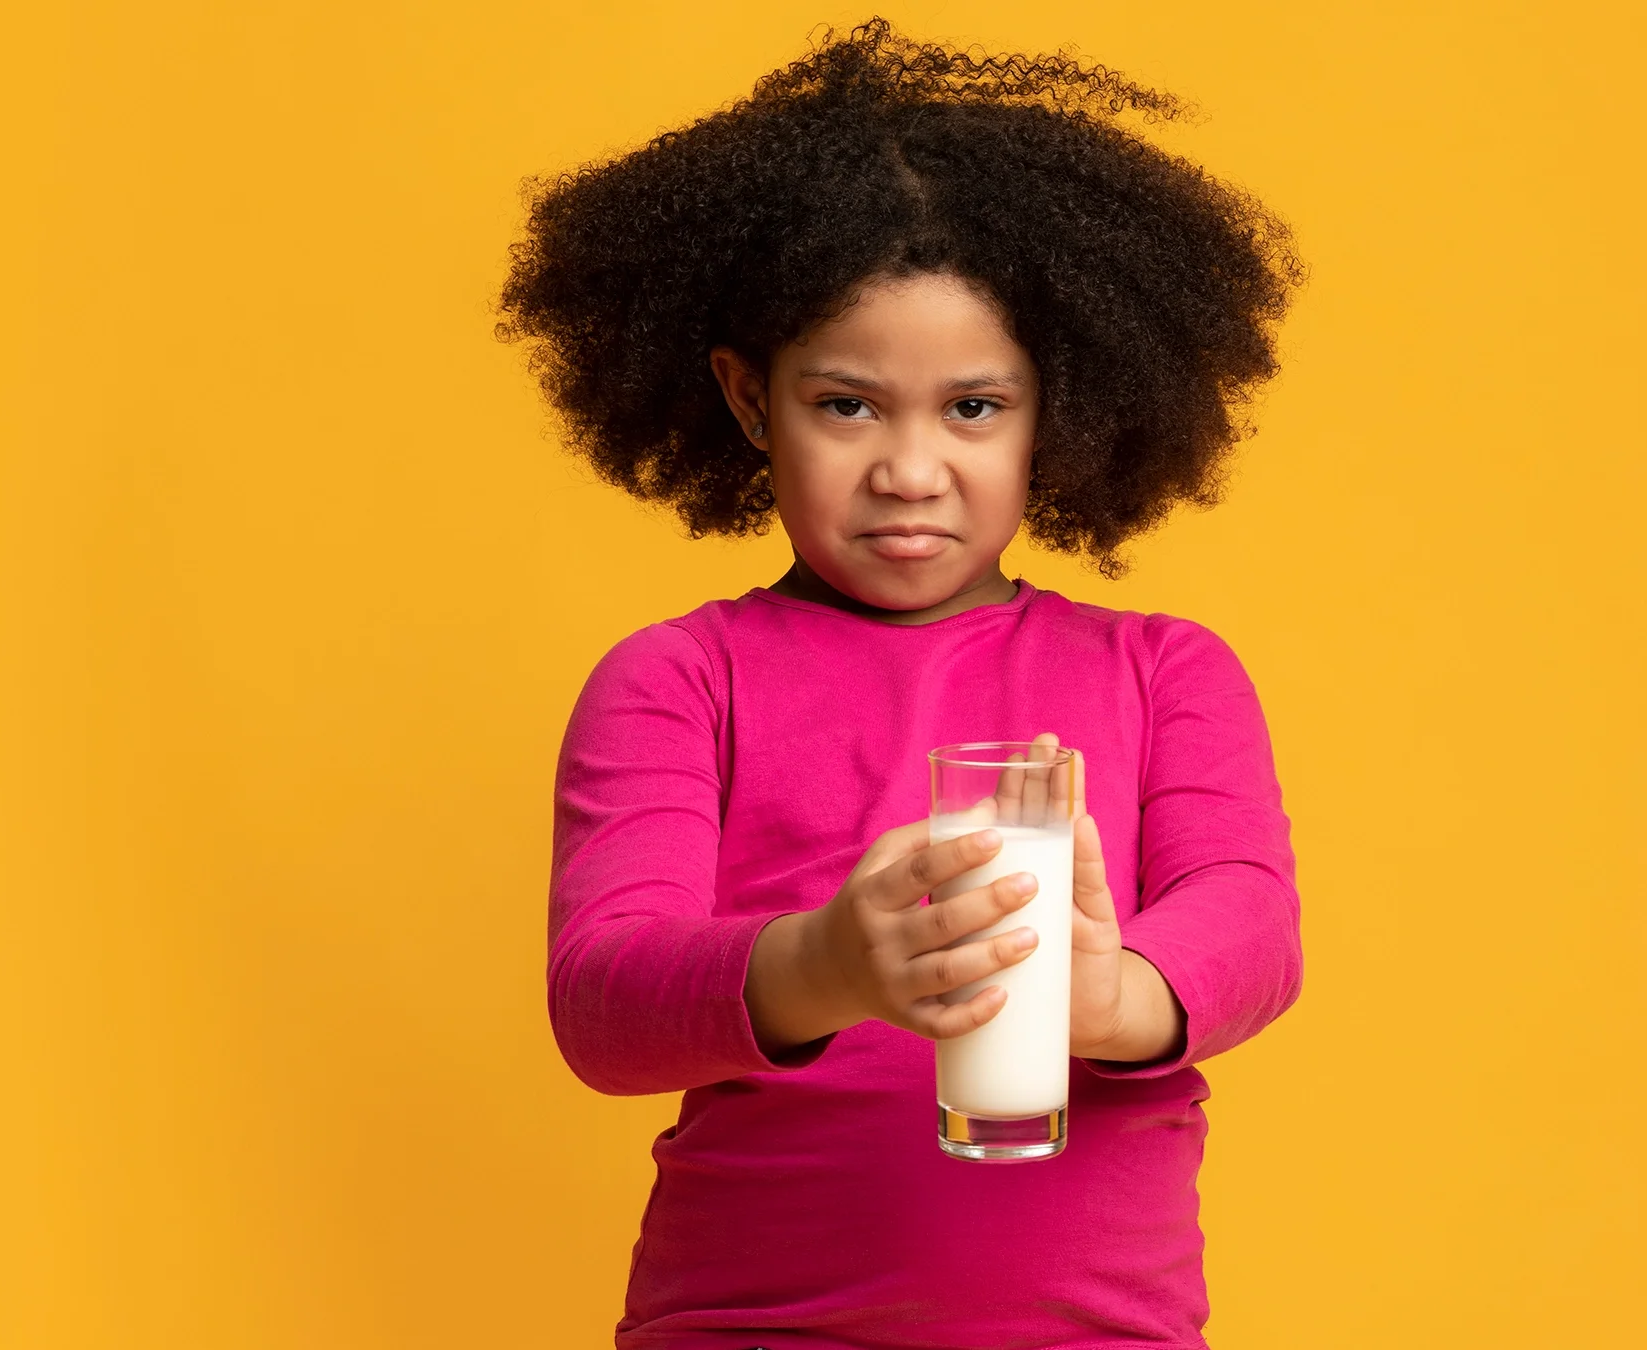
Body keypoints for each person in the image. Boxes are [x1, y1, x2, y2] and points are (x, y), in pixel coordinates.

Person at [498, 19, 1304, 1349]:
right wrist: (826, 959)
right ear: (752, 400)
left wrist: (1111, 996)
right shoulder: (677, 680)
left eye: (974, 407)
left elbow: (1252, 917)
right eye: (850, 405)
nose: (913, 469)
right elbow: (604, 995)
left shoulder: (1166, 671)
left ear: (1063, 407)